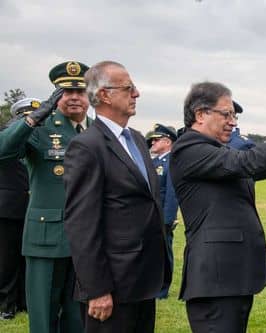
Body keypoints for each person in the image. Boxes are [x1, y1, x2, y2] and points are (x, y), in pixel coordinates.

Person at [169, 81, 266, 333]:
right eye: (226, 114)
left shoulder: (215, 152)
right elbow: (249, 161)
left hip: (229, 278)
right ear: (201, 114)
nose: (233, 122)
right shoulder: (190, 149)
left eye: (234, 116)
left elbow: (262, 168)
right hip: (215, 282)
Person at [63, 60, 169, 333]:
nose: (137, 94)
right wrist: (97, 289)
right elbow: (81, 225)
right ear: (105, 95)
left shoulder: (135, 139)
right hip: (112, 285)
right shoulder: (87, 146)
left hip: (143, 279)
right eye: (128, 88)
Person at [0, 61, 91, 333]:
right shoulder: (40, 127)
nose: (74, 97)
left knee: (78, 316)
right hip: (46, 237)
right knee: (43, 315)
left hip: (86, 238)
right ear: (56, 96)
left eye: (81, 92)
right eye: (67, 92)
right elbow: (4, 151)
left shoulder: (96, 130)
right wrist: (33, 117)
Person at [0, 98, 38, 320]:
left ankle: (24, 300)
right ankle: (6, 303)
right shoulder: (7, 138)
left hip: (34, 208)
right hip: (9, 208)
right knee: (7, 258)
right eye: (24, 115)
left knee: (28, 258)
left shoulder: (41, 139)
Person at [147, 123, 179, 299]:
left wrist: (167, 219)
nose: (152, 143)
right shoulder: (153, 161)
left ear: (167, 142)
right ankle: (151, 285)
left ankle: (162, 289)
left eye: (156, 140)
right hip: (148, 216)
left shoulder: (172, 162)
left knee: (163, 253)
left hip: (161, 217)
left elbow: (172, 195)